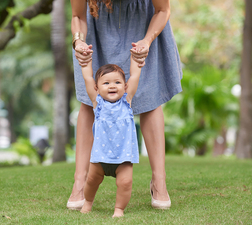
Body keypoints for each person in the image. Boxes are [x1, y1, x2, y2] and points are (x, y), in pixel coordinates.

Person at [67, 0, 182, 210]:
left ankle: (159, 180)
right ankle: (79, 181)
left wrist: (147, 41)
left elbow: (163, 10)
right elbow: (78, 16)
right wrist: (78, 41)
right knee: (89, 99)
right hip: (97, 32)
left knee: (150, 98)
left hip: (144, 28)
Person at [78, 46, 142, 217]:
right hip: (100, 157)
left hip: (124, 157)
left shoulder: (126, 102)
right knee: (91, 181)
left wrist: (136, 60)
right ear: (97, 88)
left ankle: (119, 209)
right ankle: (88, 202)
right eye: (106, 83)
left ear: (125, 86)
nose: (112, 86)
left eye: (117, 82)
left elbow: (135, 76)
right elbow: (87, 77)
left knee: (126, 182)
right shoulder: (97, 103)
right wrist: (85, 61)